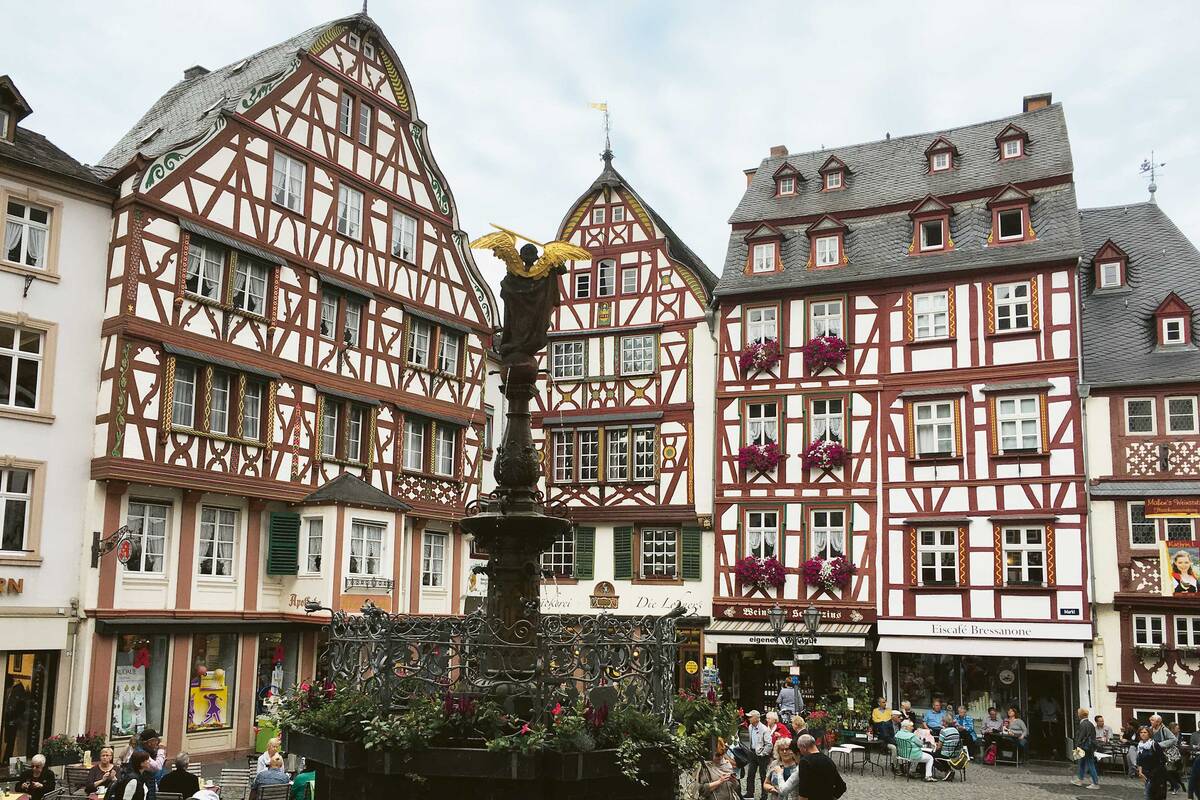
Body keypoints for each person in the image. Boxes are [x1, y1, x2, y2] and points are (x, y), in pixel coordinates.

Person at [773, 733, 846, 800]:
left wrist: (779, 773)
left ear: (803, 748)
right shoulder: (828, 760)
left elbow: (803, 795)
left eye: (794, 755)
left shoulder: (805, 762)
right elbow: (842, 787)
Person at [1070, 707, 1100, 790]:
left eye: (1078, 714)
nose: (1077, 715)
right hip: (1089, 746)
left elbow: (1081, 736)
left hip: (1084, 747)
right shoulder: (1090, 724)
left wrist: (1077, 746)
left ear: (1080, 715)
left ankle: (1095, 783)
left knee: (1089, 764)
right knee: (1082, 763)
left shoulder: (1083, 724)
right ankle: (1080, 780)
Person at [1137, 725, 1168, 800]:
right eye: (1141, 732)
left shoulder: (1154, 744)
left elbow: (1163, 759)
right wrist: (1140, 772)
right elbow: (1139, 760)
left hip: (1157, 775)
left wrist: (1155, 772)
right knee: (1148, 794)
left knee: (1152, 795)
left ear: (1149, 734)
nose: (1143, 734)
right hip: (1146, 774)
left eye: (1145, 732)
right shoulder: (1140, 745)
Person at [746, 710, 770, 799]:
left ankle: (764, 795)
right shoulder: (750, 727)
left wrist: (762, 753)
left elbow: (769, 744)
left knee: (763, 775)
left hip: (762, 755)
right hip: (753, 752)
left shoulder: (764, 729)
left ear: (756, 718)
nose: (749, 718)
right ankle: (749, 793)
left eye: (750, 717)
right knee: (750, 774)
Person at [1167, 722, 1186, 794]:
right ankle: (1178, 784)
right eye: (1177, 728)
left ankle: (1176, 785)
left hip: (1177, 756)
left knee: (1171, 772)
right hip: (1169, 755)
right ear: (1172, 729)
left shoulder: (1180, 735)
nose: (1179, 730)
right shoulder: (1168, 736)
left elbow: (1181, 743)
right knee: (1170, 772)